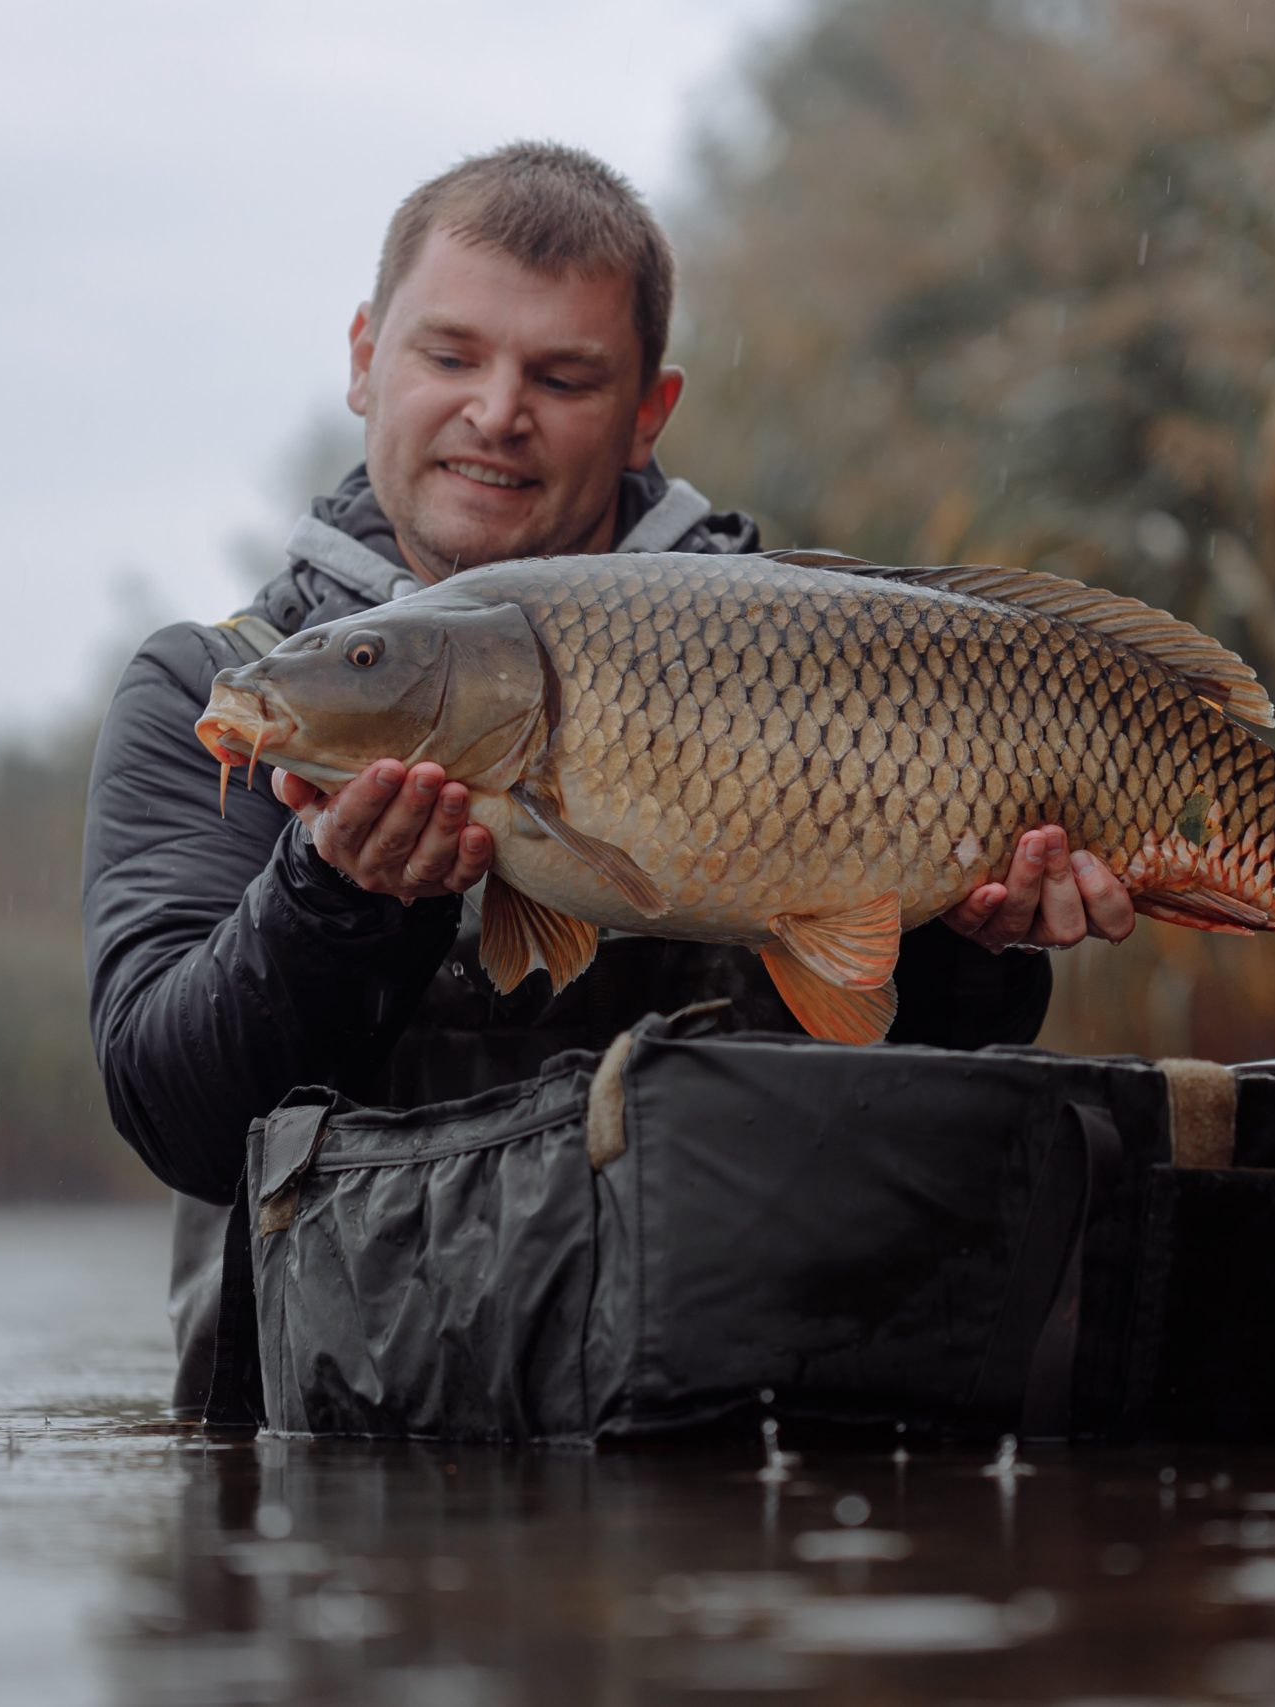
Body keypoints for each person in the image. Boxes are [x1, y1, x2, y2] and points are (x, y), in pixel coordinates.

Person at [80, 143, 1135, 1416]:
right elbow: (178, 1119)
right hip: (345, 1459)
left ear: (648, 410)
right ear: (365, 356)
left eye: (563, 375)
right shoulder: (224, 691)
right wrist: (332, 897)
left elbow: (923, 1072)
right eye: (451, 355)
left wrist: (985, 938)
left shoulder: (822, 646)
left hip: (750, 1423)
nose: (497, 411)